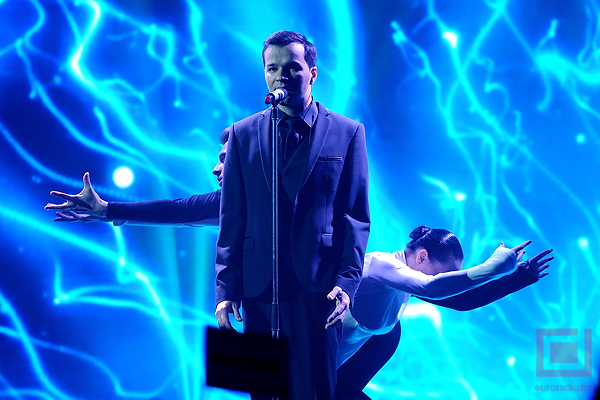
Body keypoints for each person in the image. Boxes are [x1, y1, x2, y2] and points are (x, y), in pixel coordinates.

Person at [214, 30, 370, 399]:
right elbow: (232, 217)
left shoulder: (347, 132)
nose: (280, 76)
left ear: (312, 73)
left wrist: (347, 283)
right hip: (258, 289)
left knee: (315, 390)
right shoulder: (242, 133)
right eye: (272, 68)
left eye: (292, 68)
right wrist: (225, 289)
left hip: (319, 288)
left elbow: (355, 218)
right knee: (263, 389)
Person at [335, 226, 553, 400]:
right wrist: (494, 267)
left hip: (329, 373)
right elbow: (433, 287)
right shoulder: (380, 265)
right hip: (316, 362)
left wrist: (520, 277)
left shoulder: (402, 286)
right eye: (443, 275)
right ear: (422, 257)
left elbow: (463, 299)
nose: (447, 283)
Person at [44, 128, 229, 226]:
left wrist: (108, 211)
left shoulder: (236, 198)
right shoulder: (228, 201)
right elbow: (178, 212)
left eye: (224, 159)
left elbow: (177, 211)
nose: (215, 169)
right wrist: (107, 211)